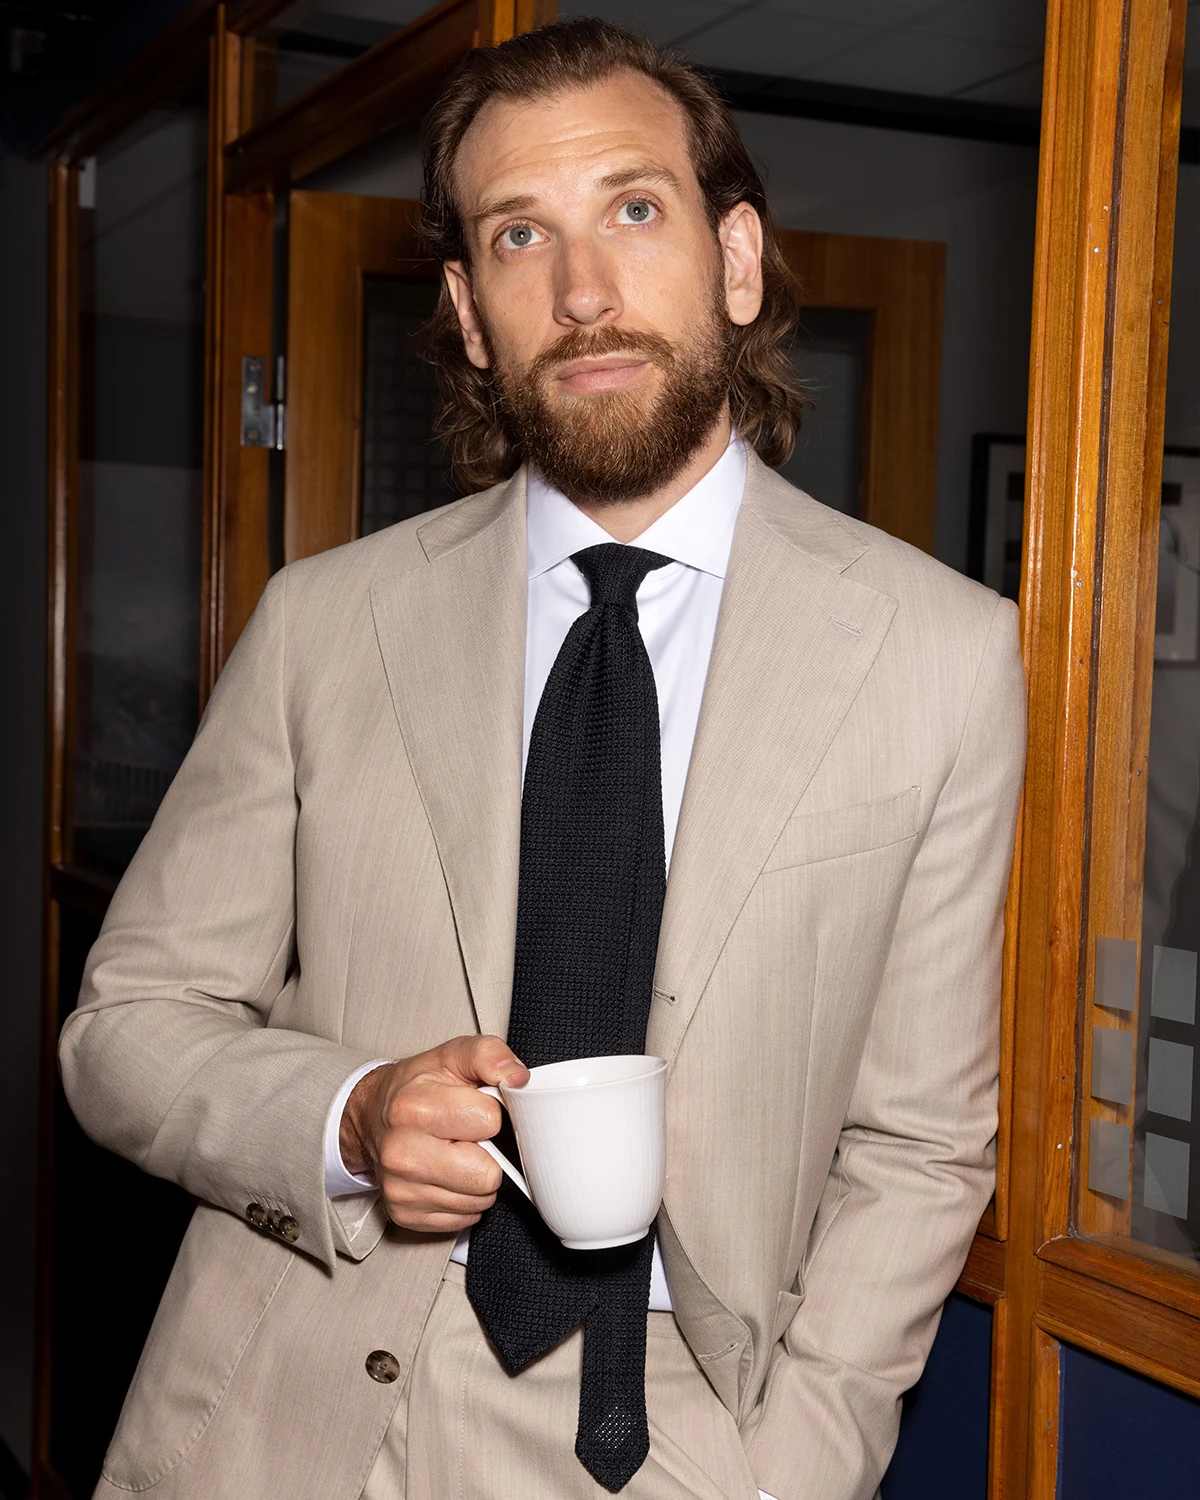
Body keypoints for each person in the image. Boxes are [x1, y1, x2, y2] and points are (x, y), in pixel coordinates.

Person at [61, 19, 1026, 1500]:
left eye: (635, 210)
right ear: (463, 307)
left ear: (740, 258)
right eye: (522, 236)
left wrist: (797, 1464)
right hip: (299, 1415)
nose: (584, 292)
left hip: (693, 1441)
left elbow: (918, 1146)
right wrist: (347, 1118)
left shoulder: (944, 656)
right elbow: (125, 1027)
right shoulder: (327, 624)